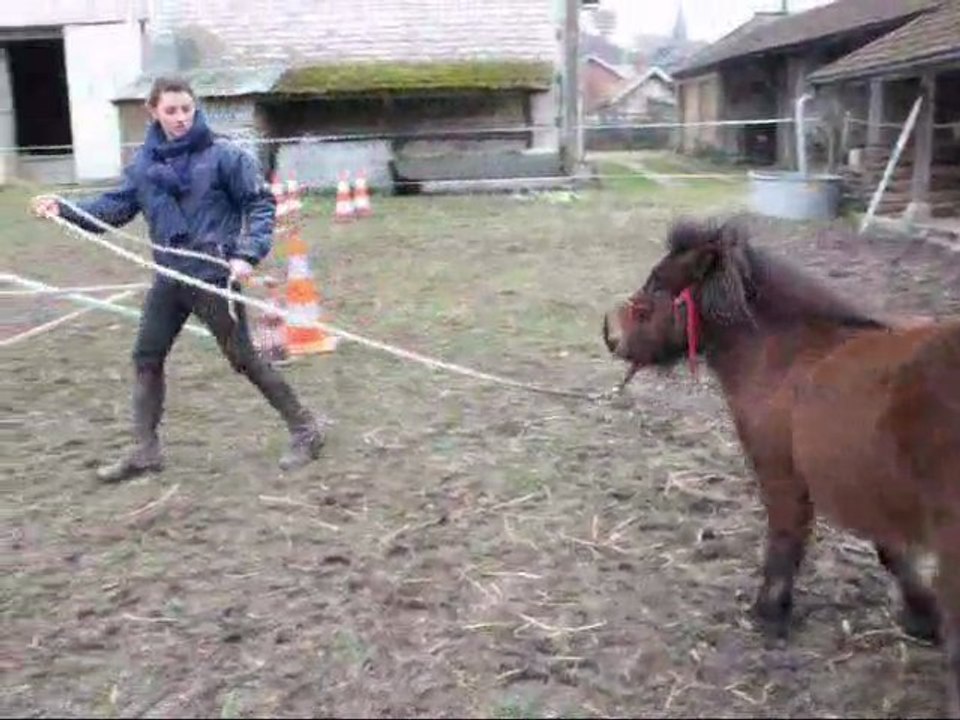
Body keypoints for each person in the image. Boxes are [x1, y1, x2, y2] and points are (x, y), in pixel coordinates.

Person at [30, 76, 326, 482]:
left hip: (212, 277)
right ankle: (145, 451)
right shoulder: (143, 168)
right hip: (169, 278)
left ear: (195, 108)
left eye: (186, 109)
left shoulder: (224, 156)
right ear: (154, 112)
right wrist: (63, 209)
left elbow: (259, 203)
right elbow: (112, 209)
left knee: (244, 359)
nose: (181, 117)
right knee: (146, 358)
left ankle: (306, 430)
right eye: (171, 110)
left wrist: (246, 255)